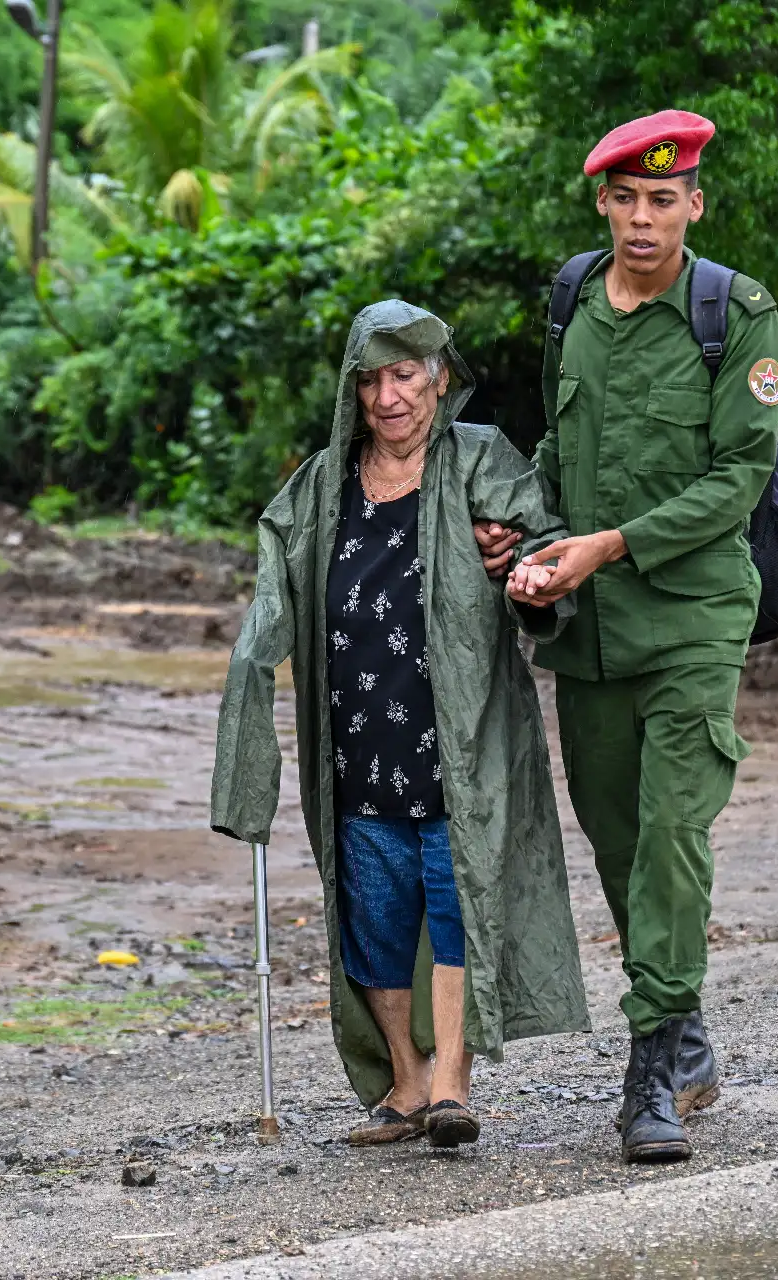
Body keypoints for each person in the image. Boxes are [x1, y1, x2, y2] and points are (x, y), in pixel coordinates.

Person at [479, 109, 778, 1163]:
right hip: (594, 628)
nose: (643, 219)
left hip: (694, 614)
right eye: (626, 200)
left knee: (670, 833)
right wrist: (521, 530)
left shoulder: (734, 313)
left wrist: (610, 544)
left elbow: (739, 478)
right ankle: (686, 1031)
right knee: (616, 837)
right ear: (603, 205)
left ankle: (651, 1065)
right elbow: (559, 451)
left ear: (695, 204)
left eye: (664, 199)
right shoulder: (572, 299)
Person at [211, 299, 589, 1150]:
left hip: (459, 738)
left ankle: (452, 1082)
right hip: (356, 745)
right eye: (372, 380)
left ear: (440, 379)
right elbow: (271, 595)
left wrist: (524, 566)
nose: (389, 398)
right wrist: (249, 678)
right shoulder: (320, 486)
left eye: (406, 375)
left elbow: (548, 546)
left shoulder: (479, 460)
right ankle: (406, 1081)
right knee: (373, 920)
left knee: (458, 903)